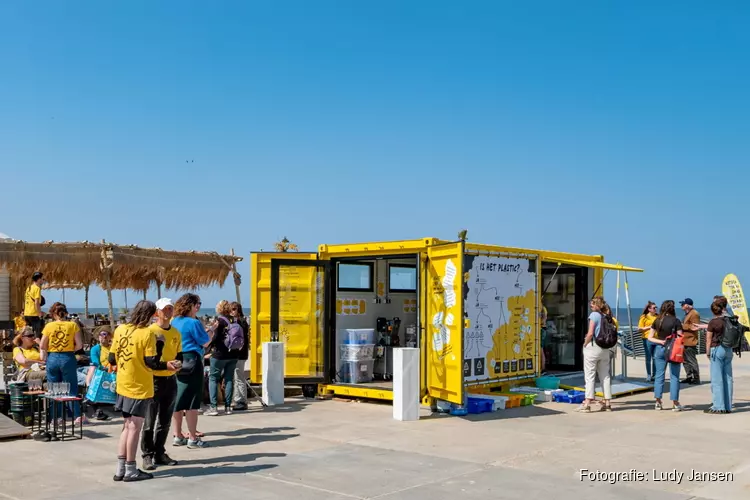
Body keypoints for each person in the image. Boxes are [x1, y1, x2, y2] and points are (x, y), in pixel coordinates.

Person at [109, 300, 180, 482]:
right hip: (139, 386)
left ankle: (121, 468)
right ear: (151, 315)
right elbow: (152, 362)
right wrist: (160, 346)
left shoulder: (120, 329)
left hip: (123, 383)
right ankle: (131, 468)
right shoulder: (147, 333)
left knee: (126, 426)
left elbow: (111, 357)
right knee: (135, 428)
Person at [141, 298, 182, 471]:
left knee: (165, 420)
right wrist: (166, 364)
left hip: (170, 380)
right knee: (149, 420)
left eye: (170, 309)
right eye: (164, 309)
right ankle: (147, 455)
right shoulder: (150, 331)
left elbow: (180, 355)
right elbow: (147, 360)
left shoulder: (176, 333)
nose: (167, 312)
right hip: (153, 379)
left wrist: (178, 363)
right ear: (157, 312)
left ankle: (159, 452)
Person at [171, 293, 213, 449]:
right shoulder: (193, 323)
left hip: (177, 360)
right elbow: (205, 342)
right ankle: (193, 438)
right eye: (198, 304)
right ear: (191, 306)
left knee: (178, 399)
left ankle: (177, 435)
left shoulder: (174, 321)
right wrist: (211, 332)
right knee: (192, 402)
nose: (198, 307)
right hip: (192, 360)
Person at [40, 302, 84, 423]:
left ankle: (56, 417)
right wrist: (70, 350)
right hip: (68, 357)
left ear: (53, 314)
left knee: (54, 389)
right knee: (71, 388)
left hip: (53, 357)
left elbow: (42, 345)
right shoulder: (73, 325)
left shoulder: (49, 326)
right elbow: (79, 344)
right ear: (65, 313)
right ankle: (76, 416)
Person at [576, 297, 613, 413]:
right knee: (605, 376)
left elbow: (591, 333)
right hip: (605, 348)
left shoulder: (594, 315)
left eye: (592, 304)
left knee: (590, 375)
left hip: (593, 348)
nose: (590, 306)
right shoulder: (607, 316)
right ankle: (607, 402)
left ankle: (587, 403)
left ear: (597, 305)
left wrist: (585, 343)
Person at [648, 300, 685, 412]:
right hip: (673, 349)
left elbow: (650, 337)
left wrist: (661, 342)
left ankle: (658, 402)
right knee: (674, 376)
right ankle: (675, 403)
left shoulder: (657, 320)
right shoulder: (676, 321)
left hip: (660, 348)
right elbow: (680, 337)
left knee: (659, 375)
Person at [205, 300, 240, 416]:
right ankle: (228, 406)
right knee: (229, 379)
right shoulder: (235, 320)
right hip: (233, 354)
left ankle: (214, 407)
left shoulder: (220, 321)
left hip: (220, 354)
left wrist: (208, 345)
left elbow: (214, 339)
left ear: (220, 309)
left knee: (213, 378)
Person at [705, 300, 733, 414]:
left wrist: (707, 353)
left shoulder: (713, 322)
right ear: (722, 309)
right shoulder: (729, 320)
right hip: (728, 349)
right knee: (728, 378)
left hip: (717, 349)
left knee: (717, 379)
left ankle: (718, 406)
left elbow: (708, 339)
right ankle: (728, 406)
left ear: (713, 311)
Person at [87, 328, 114, 421]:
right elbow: (95, 362)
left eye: (106, 334)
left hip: (114, 370)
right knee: (92, 368)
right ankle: (91, 397)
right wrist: (105, 368)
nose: (104, 337)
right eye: (102, 334)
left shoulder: (113, 347)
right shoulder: (95, 349)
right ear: (98, 337)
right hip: (101, 370)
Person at [230, 302, 250, 411]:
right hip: (240, 353)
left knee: (239, 377)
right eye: (231, 309)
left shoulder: (241, 322)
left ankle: (242, 401)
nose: (232, 311)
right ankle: (238, 399)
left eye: (233, 309)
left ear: (238, 310)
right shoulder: (241, 321)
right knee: (237, 377)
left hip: (240, 354)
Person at [680, 298, 701, 385]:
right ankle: (689, 376)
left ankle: (696, 378)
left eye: (683, 304)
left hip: (690, 340)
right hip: (684, 340)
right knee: (685, 360)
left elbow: (694, 326)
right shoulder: (687, 314)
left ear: (688, 305)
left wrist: (682, 326)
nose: (681, 306)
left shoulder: (694, 314)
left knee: (691, 360)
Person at [638, 301, 658, 381]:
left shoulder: (658, 316)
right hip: (647, 338)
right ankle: (649, 375)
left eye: (656, 307)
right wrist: (650, 327)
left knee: (655, 357)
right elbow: (640, 328)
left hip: (656, 339)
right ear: (649, 309)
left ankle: (655, 375)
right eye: (654, 308)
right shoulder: (644, 317)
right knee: (648, 357)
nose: (655, 309)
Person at [23, 272, 45, 337]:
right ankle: (36, 346)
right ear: (39, 279)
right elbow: (36, 302)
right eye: (42, 279)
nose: (43, 281)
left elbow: (27, 301)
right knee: (38, 334)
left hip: (27, 313)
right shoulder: (37, 288)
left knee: (29, 334)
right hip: (34, 314)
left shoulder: (29, 288)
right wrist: (40, 313)